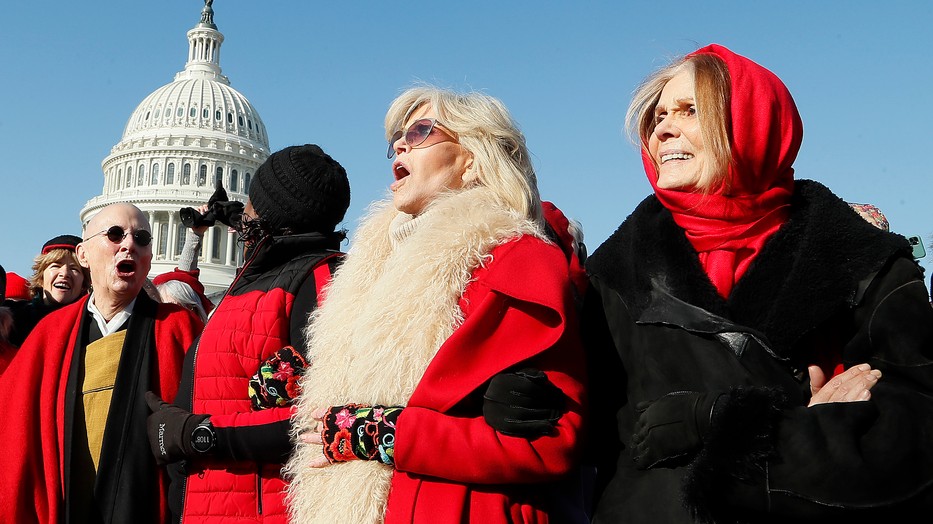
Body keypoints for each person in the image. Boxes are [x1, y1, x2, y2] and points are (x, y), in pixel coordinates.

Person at [582, 44, 933, 523]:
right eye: (659, 115)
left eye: (689, 111)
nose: (663, 128)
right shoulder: (614, 275)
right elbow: (592, 433)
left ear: (754, 121)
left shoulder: (866, 262)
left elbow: (911, 431)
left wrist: (726, 422)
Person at [284, 86, 587, 524]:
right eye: (397, 139)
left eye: (422, 130)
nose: (401, 144)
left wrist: (382, 434)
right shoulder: (370, 272)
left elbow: (549, 442)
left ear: (473, 159)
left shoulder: (517, 260)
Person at [144, 143, 350, 524]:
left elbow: (321, 417)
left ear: (272, 212)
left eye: (252, 202)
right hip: (206, 503)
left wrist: (196, 434)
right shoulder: (260, 275)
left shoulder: (319, 280)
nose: (245, 211)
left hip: (258, 509)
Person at [0, 203, 202, 524]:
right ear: (84, 255)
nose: (129, 245)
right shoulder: (51, 333)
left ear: (149, 258)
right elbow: (13, 430)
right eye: (115, 234)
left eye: (142, 238)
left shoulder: (178, 328)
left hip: (149, 504)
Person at [2, 234, 91, 347]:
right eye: (55, 266)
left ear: (83, 284)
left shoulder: (90, 324)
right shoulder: (13, 320)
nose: (64, 273)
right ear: (41, 278)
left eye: (74, 268)